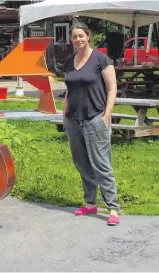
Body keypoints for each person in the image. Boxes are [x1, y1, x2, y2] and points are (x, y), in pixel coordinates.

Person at [62, 22, 120, 226]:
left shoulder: (101, 59)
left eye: (81, 36)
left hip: (95, 117)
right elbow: (69, 89)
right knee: (81, 163)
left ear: (88, 36)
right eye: (74, 36)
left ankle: (112, 208)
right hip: (73, 119)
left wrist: (107, 116)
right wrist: (64, 112)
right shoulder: (70, 61)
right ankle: (90, 202)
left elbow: (112, 89)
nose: (78, 39)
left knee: (101, 164)